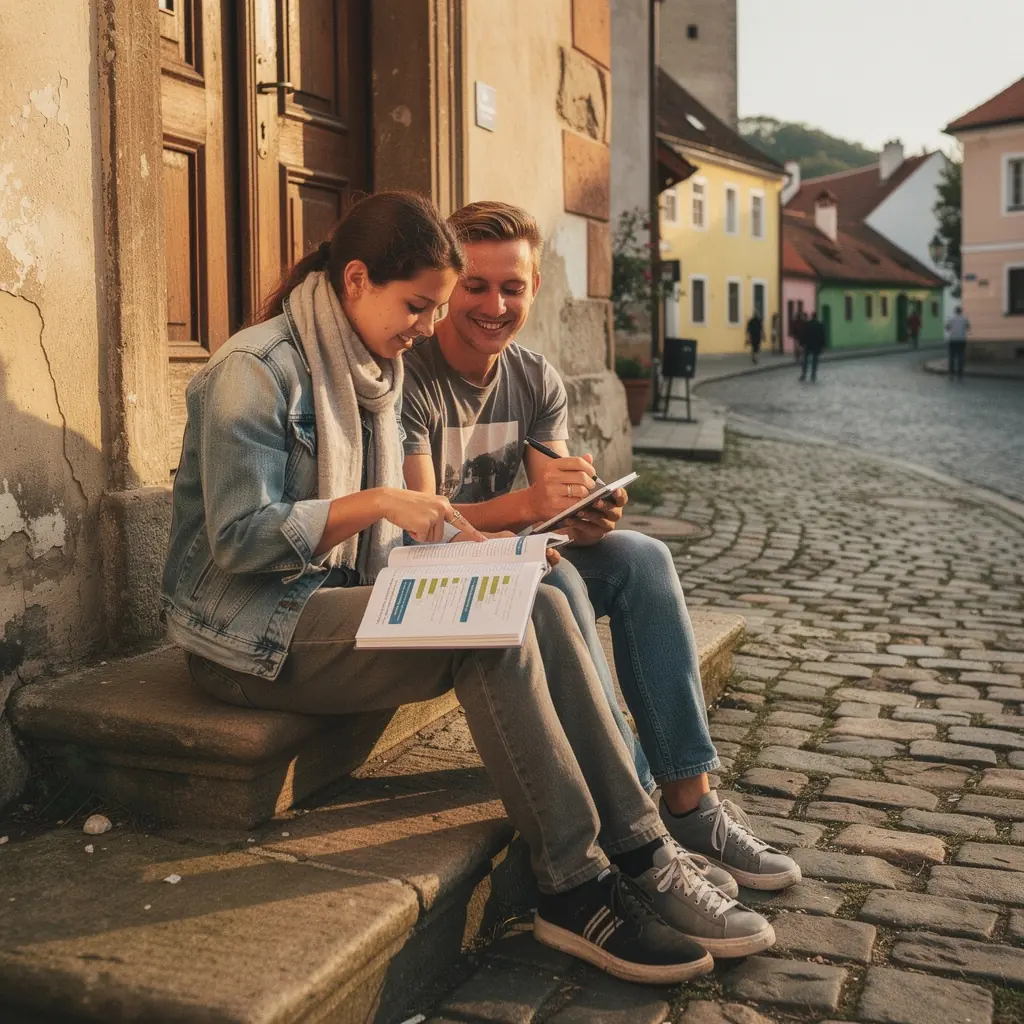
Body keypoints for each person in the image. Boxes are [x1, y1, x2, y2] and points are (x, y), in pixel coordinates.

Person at [161, 190, 769, 984]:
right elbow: (239, 543)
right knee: (496, 626)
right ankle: (574, 887)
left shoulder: (369, 368)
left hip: (342, 600)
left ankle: (643, 848)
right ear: (354, 280)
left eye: (433, 309)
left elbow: (405, 546)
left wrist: (502, 555)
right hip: (251, 630)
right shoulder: (256, 369)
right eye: (420, 306)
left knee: (540, 593)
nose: (425, 327)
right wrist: (377, 502)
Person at [401, 200, 801, 933]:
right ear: (448, 283)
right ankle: (631, 821)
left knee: (640, 556)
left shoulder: (534, 379)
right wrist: (530, 507)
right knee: (549, 577)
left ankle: (691, 803)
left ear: (532, 290)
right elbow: (417, 528)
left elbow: (550, 510)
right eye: (477, 286)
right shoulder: (411, 378)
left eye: (513, 288)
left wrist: (587, 512)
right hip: (446, 579)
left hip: (522, 558)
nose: (495, 306)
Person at [799, 310, 826, 382]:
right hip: (816, 346)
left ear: (812, 316)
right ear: (816, 317)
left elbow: (803, 334)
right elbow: (822, 336)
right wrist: (823, 346)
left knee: (805, 360)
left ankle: (804, 374)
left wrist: (801, 344)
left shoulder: (807, 324)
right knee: (815, 361)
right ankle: (813, 375)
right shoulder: (820, 325)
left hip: (808, 345)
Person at [946, 305, 970, 380]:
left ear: (955, 311)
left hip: (953, 340)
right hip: (961, 340)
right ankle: (960, 374)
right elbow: (968, 327)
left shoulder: (951, 319)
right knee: (961, 357)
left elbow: (947, 327)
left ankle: (951, 373)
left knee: (951, 357)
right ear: (961, 311)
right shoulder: (965, 319)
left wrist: (952, 329)